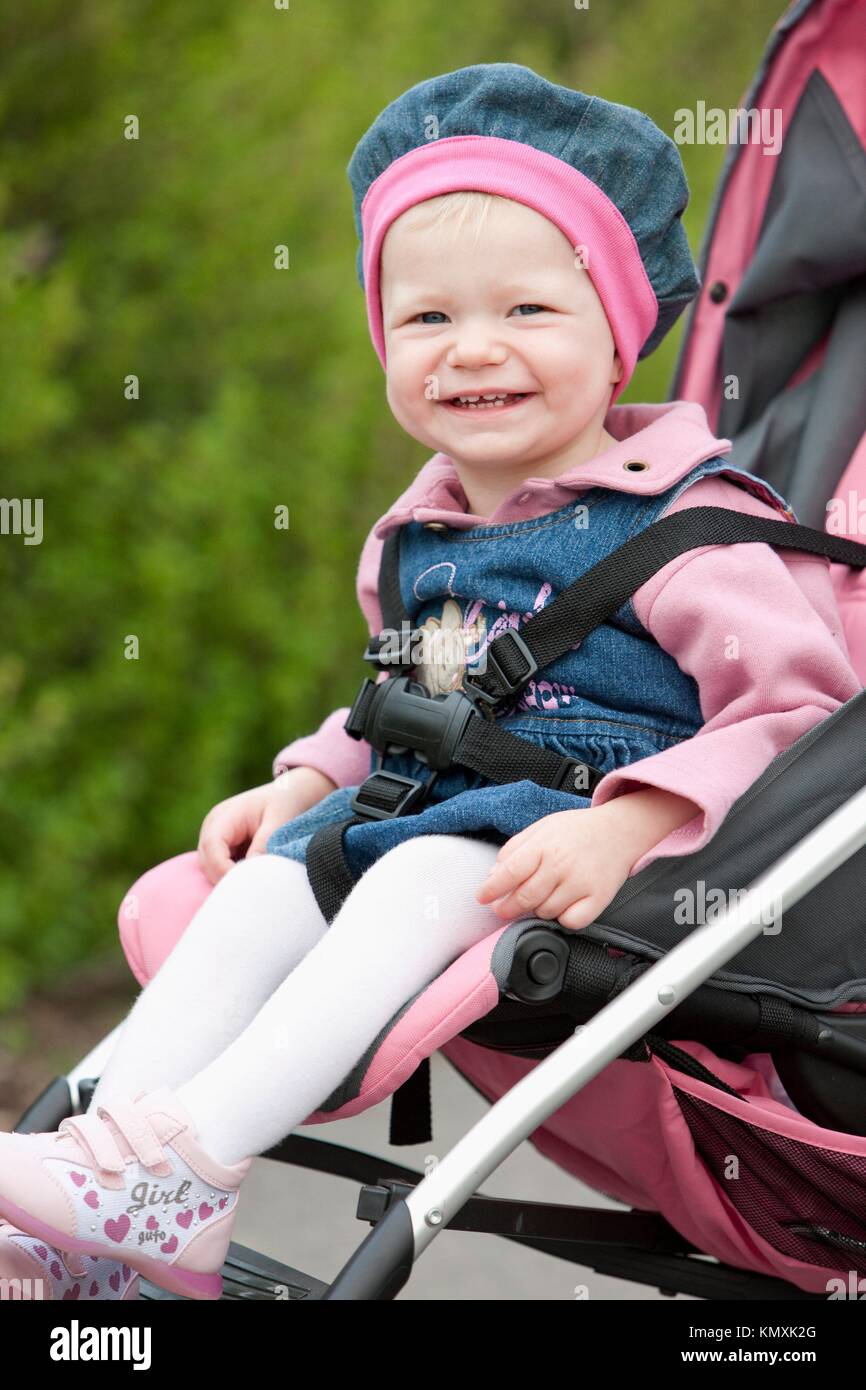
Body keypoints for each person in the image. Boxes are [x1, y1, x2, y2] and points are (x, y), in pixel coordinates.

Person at [0, 64, 859, 1301]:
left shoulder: (690, 526)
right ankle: (108, 1196)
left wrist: (633, 822)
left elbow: (793, 716)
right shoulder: (421, 535)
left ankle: (192, 1158)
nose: (472, 351)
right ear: (382, 341)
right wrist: (308, 770)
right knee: (260, 887)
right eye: (426, 321)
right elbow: (405, 696)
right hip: (424, 805)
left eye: (524, 311)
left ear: (619, 329)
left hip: (593, 846)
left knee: (403, 872)